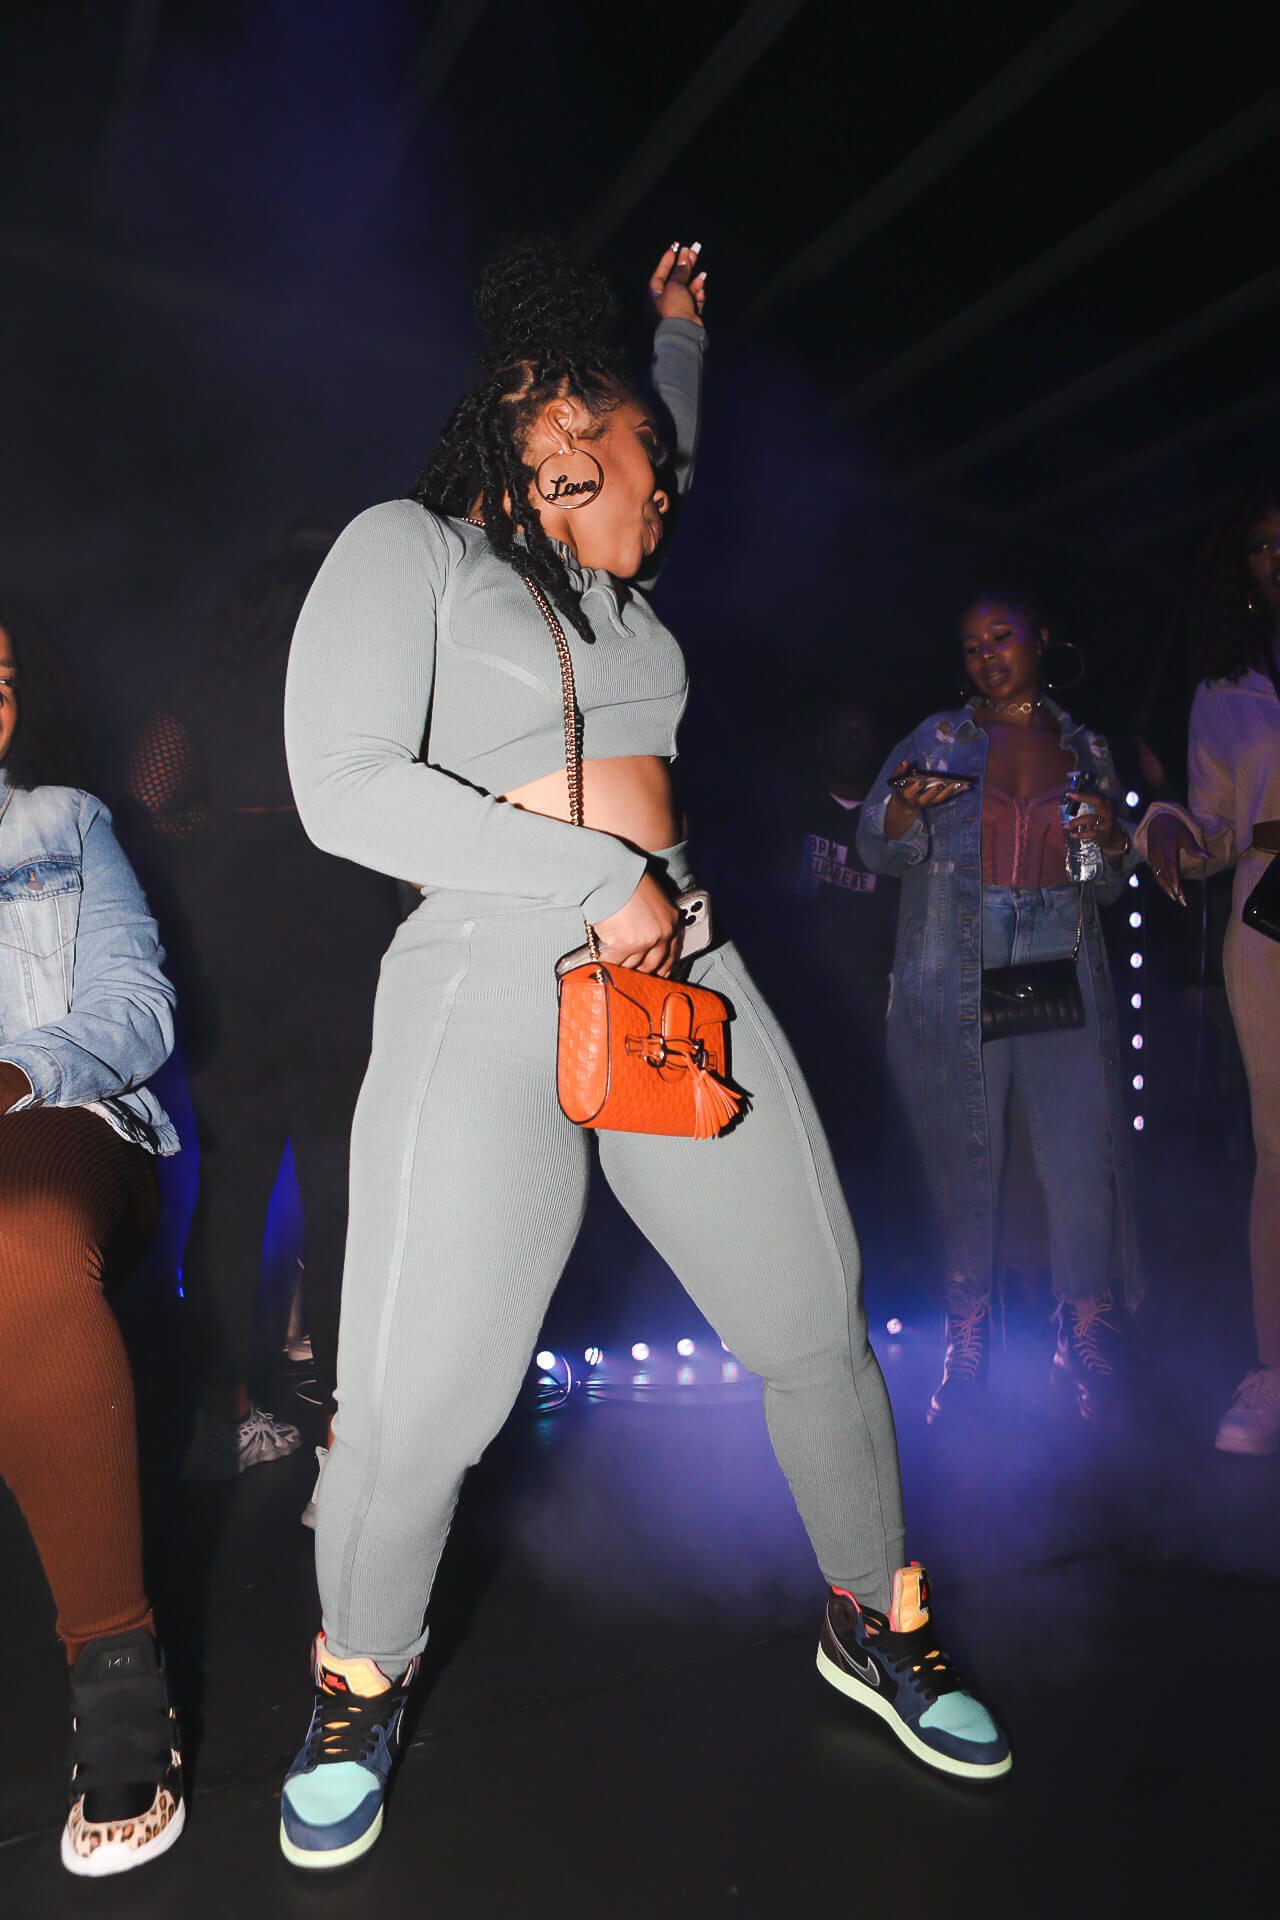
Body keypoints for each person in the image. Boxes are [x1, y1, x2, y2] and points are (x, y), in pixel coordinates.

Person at [276, 241, 1010, 1870]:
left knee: (814, 1323)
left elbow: (652, 448)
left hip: (680, 968)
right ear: (533, 434)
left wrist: (679, 338)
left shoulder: (618, 596)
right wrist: (592, 877)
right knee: (419, 1409)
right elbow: (341, 784)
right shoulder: (411, 550)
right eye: (615, 455)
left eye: (661, 468)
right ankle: (358, 1676)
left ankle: (874, 1615)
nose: (655, 490)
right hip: (486, 971)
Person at [125, 530, 401, 1510]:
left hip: (229, 965)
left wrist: (201, 832)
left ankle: (221, 1419)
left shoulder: (207, 681)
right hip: (339, 962)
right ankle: (340, 1442)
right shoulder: (364, 687)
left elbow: (144, 795)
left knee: (231, 1196)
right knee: (340, 1201)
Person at [857, 594, 1141, 1426]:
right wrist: (905, 806)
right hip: (961, 959)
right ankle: (967, 1334)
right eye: (972, 645)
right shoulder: (937, 737)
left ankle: (1083, 1328)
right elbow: (876, 843)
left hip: (1061, 956)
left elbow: (1104, 883)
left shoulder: (1086, 749)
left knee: (1079, 1154)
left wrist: (1110, 841)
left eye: (1001, 637)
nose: (986, 655)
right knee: (963, 1158)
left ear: (1041, 641)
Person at [0, 607, 184, 1875]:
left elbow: (139, 1009)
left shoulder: (63, 823)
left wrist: (17, 1072)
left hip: (63, 1122)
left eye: (4, 679)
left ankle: (117, 1672)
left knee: (15, 1243)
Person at [1139, 483, 1280, 1453]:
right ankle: (1271, 1372)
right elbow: (1215, 826)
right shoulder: (1225, 690)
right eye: (1264, 545)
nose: (1279, 558)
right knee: (1277, 1151)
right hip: (1268, 914)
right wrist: (1167, 828)